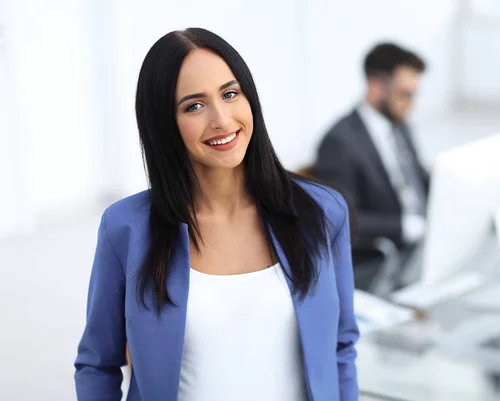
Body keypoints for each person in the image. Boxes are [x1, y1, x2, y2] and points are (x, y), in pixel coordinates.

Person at [74, 28, 358, 401]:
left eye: (229, 94)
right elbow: (98, 363)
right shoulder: (125, 228)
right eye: (194, 105)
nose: (222, 120)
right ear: (164, 124)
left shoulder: (322, 211)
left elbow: (341, 347)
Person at [314, 43, 429, 269]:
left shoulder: (399, 124)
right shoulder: (339, 142)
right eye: (405, 95)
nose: (411, 105)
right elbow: (345, 220)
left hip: (423, 243)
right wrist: (407, 227)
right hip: (387, 256)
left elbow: (419, 178)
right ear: (376, 87)